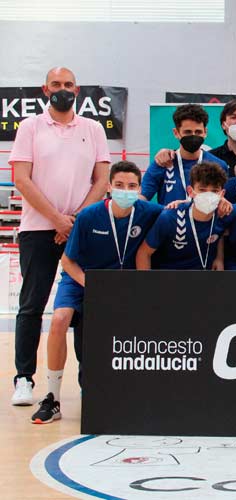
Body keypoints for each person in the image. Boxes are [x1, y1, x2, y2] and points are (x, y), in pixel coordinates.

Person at [30, 162, 162, 424]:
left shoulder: (150, 212)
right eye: (121, 185)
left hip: (121, 284)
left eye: (133, 186)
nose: (126, 190)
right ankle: (52, 398)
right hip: (82, 277)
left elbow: (176, 212)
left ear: (139, 189)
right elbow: (68, 261)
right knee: (59, 320)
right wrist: (90, 284)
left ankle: (126, 391)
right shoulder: (89, 216)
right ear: (110, 187)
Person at [9, 67, 110, 407]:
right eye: (57, 84)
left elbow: (102, 179)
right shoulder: (30, 127)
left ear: (77, 90)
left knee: (82, 305)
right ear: (45, 89)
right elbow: (22, 179)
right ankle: (24, 378)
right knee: (32, 305)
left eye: (68, 84)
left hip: (80, 230)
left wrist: (75, 220)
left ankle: (87, 380)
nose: (63, 89)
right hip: (38, 229)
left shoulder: (93, 129)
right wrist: (56, 220)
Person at [136, 162, 230, 270]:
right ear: (190, 191)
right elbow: (144, 253)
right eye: (202, 190)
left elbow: (220, 233)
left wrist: (219, 258)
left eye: (214, 191)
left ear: (222, 194)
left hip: (205, 281)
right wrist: (146, 286)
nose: (208, 196)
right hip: (168, 280)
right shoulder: (170, 217)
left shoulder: (224, 214)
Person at [140, 105, 228, 205]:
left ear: (205, 132)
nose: (193, 136)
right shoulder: (163, 162)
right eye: (188, 132)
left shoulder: (218, 165)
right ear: (176, 133)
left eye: (198, 132)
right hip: (169, 220)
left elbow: (224, 203)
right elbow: (142, 198)